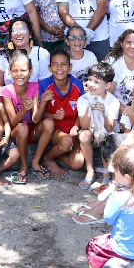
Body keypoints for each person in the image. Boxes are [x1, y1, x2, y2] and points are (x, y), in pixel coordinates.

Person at [36, 48, 85, 178]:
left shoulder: (77, 84)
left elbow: (82, 110)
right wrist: (54, 116)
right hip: (54, 130)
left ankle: (56, 154)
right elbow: (40, 116)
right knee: (66, 142)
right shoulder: (45, 84)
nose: (59, 68)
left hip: (71, 131)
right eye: (55, 64)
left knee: (77, 163)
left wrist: (76, 126)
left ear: (70, 67)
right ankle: (47, 158)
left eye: (63, 64)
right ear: (49, 68)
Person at [0, 52, 43, 184]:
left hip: (32, 129)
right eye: (15, 71)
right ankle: (23, 166)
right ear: (9, 72)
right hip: (15, 132)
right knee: (22, 127)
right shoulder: (6, 91)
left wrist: (37, 105)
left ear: (31, 71)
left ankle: (39, 161)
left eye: (23, 70)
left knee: (48, 123)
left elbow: (35, 119)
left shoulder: (35, 86)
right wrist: (24, 109)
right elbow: (13, 121)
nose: (19, 74)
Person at [77, 62, 120, 190]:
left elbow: (109, 128)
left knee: (104, 136)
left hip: (107, 135)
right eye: (89, 80)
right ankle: (90, 171)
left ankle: (106, 175)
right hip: (91, 132)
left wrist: (104, 111)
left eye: (96, 82)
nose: (91, 84)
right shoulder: (83, 99)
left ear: (107, 85)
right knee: (84, 135)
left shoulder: (113, 101)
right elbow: (84, 126)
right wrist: (89, 109)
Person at [0, 17, 50, 85]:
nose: (18, 33)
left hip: (35, 95)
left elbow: (44, 86)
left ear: (30, 34)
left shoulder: (41, 54)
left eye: (23, 29)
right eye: (14, 30)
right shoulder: (3, 54)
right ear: (10, 36)